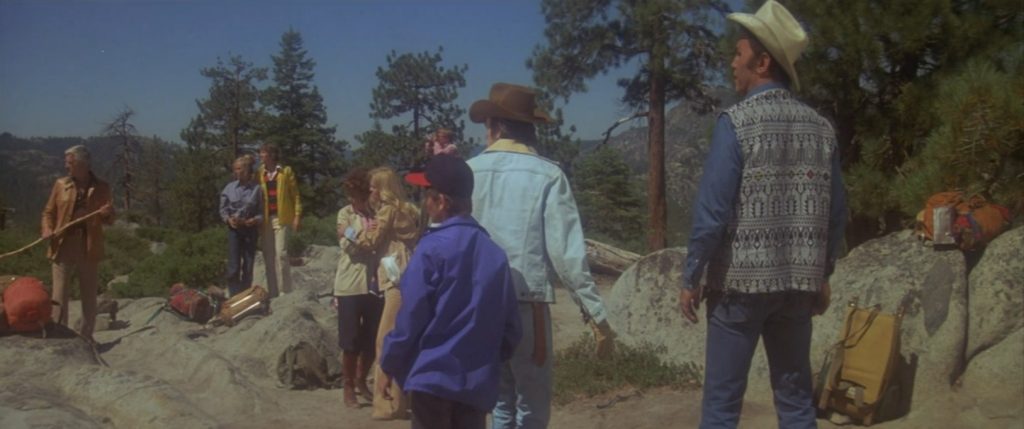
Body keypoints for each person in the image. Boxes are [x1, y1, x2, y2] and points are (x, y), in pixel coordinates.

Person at [677, 2, 848, 428]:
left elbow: (713, 211)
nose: (732, 63)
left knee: (722, 406)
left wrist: (691, 276)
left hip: (738, 287)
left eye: (738, 54)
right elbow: (836, 214)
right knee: (796, 402)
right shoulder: (822, 128)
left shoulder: (736, 123)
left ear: (763, 61)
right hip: (797, 287)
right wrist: (822, 273)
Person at [466, 82, 616, 429]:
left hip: (480, 301)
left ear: (494, 125)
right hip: (527, 301)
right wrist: (595, 313)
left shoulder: (469, 171)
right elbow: (566, 253)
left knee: (500, 401)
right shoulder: (548, 175)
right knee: (532, 406)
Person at [380, 154, 522, 429]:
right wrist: (484, 362)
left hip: (431, 379)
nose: (424, 202)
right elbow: (511, 329)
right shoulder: (495, 253)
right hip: (475, 386)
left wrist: (390, 363)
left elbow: (411, 318)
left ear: (441, 202)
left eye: (427, 195)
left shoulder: (430, 250)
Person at [342, 166, 420, 420]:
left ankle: (386, 404)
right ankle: (400, 399)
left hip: (395, 279)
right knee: (400, 338)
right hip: (408, 275)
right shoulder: (406, 210)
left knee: (385, 341)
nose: (370, 191)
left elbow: (370, 242)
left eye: (373, 187)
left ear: (383, 189)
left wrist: (349, 232)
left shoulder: (387, 211)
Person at [41, 145, 115, 343]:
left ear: (82, 164)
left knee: (89, 294)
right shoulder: (60, 185)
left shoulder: (102, 187)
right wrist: (47, 229)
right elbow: (48, 212)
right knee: (59, 293)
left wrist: (107, 214)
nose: (66, 166)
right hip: (63, 243)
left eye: (70, 163)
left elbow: (110, 219)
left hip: (89, 245)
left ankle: (86, 337)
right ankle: (60, 334)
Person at [332, 167, 384, 408]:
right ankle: (348, 385)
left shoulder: (378, 213)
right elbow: (348, 247)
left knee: (372, 335)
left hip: (375, 283)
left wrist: (352, 234)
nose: (353, 201)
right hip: (350, 284)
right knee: (350, 339)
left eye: (358, 196)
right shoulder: (344, 213)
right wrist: (363, 235)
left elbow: (380, 243)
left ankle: (362, 380)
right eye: (351, 196)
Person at [258, 143, 302, 298]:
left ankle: (286, 291)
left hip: (281, 217)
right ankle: (273, 291)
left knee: (281, 253)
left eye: (263, 153)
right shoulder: (260, 173)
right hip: (266, 219)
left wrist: (297, 215)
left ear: (271, 155)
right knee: (268, 255)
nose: (260, 155)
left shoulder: (285, 171)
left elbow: (295, 195)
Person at [220, 155, 263, 296]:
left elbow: (261, 212)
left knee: (248, 266)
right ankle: (234, 295)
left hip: (250, 230)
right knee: (233, 265)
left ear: (246, 170)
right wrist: (228, 220)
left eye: (239, 169)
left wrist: (255, 220)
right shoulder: (229, 188)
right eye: (235, 169)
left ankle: (245, 296)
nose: (236, 172)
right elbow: (223, 209)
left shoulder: (257, 189)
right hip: (234, 230)